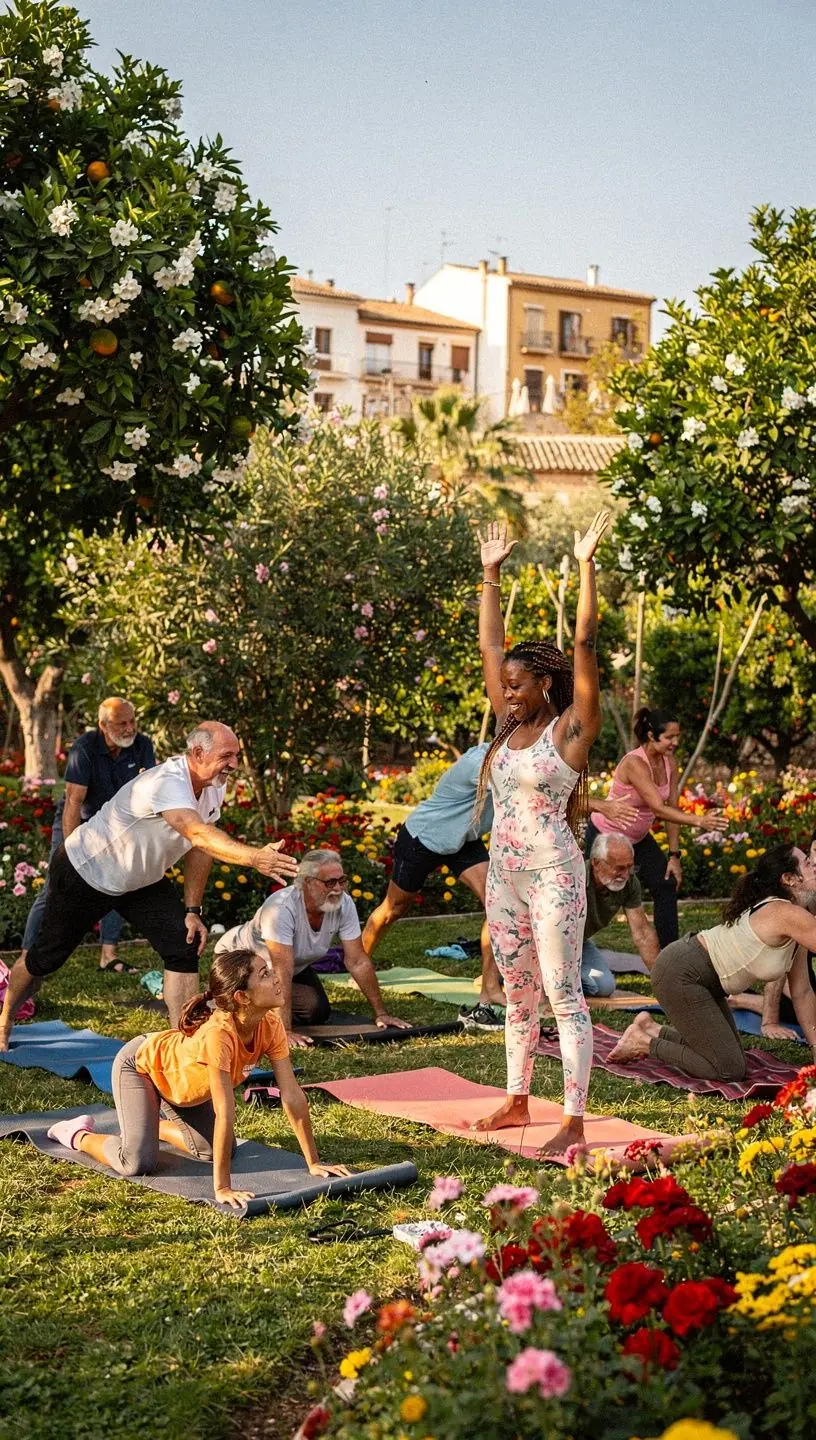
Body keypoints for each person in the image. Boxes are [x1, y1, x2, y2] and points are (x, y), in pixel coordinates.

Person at [0, 723, 298, 1047]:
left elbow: (200, 849)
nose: (234, 764)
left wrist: (193, 910)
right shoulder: (167, 782)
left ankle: (185, 1044)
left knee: (183, 945)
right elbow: (197, 833)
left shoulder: (214, 785)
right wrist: (254, 858)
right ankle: (5, 1018)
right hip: (85, 872)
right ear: (198, 753)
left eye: (236, 756)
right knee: (44, 959)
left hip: (140, 881)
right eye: (227, 756)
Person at [472, 512, 609, 1157]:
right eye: (504, 687)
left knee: (562, 992)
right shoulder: (508, 724)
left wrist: (585, 567)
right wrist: (490, 576)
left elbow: (585, 645)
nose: (506, 693)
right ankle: (517, 1098)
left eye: (518, 685)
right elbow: (490, 648)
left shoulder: (571, 732)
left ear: (545, 684)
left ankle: (574, 1119)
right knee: (517, 991)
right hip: (505, 876)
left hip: (555, 873)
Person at [46, 948, 351, 1211]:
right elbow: (224, 1111)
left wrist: (313, 1162)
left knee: (215, 1150)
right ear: (242, 997)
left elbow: (292, 1096)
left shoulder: (270, 1024)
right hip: (141, 1067)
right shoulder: (219, 1035)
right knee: (135, 1163)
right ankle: (76, 1134)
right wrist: (222, 1188)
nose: (276, 977)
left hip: (182, 1088)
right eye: (264, 974)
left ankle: (150, 1126)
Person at [608, 844, 816, 1079]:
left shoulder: (797, 918)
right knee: (728, 1069)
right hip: (681, 972)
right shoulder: (787, 913)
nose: (815, 866)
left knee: (731, 1057)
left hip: (704, 981)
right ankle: (642, 1042)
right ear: (789, 878)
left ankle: (652, 1029)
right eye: (808, 863)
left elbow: (802, 992)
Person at [362, 742, 505, 1029]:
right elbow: (528, 790)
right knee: (393, 909)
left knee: (498, 904)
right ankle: (358, 961)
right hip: (424, 836)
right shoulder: (481, 762)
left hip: (463, 839)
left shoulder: (523, 756)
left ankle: (490, 987)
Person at [215, 848, 410, 1047]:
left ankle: (264, 1009)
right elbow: (282, 969)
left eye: (342, 880)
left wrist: (381, 1013)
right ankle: (229, 998)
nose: (338, 889)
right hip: (238, 962)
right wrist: (285, 1031)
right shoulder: (281, 908)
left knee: (315, 1011)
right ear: (307, 883)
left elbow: (357, 961)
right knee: (248, 1009)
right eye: (330, 882)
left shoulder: (344, 904)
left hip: (286, 967)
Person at [21, 697, 155, 975]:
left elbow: (149, 789)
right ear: (103, 725)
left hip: (117, 824)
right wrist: (71, 854)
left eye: (132, 721)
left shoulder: (142, 745)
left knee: (117, 882)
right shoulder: (85, 748)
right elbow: (73, 801)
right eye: (122, 723)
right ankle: (26, 958)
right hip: (80, 819)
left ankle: (108, 955)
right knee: (56, 886)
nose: (130, 728)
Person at [586, 707, 728, 948]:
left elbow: (672, 808)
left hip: (638, 840)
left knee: (666, 883)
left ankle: (670, 954)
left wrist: (674, 856)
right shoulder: (634, 763)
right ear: (651, 736)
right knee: (590, 895)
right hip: (604, 836)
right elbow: (658, 808)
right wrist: (700, 821)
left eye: (677, 736)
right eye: (669, 737)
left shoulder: (670, 762)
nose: (676, 742)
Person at [727, 828, 816, 1038]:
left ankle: (743, 999)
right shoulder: (799, 897)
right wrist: (770, 1022)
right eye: (814, 852)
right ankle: (744, 1000)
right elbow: (779, 959)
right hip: (784, 972)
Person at [580, 832, 661, 996]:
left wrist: (662, 982)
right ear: (596, 863)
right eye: (619, 868)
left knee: (604, 985)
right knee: (559, 984)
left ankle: (567, 979)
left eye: (629, 867)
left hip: (579, 942)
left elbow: (643, 933)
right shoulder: (574, 877)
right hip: (549, 943)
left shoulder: (629, 882)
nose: (625, 875)